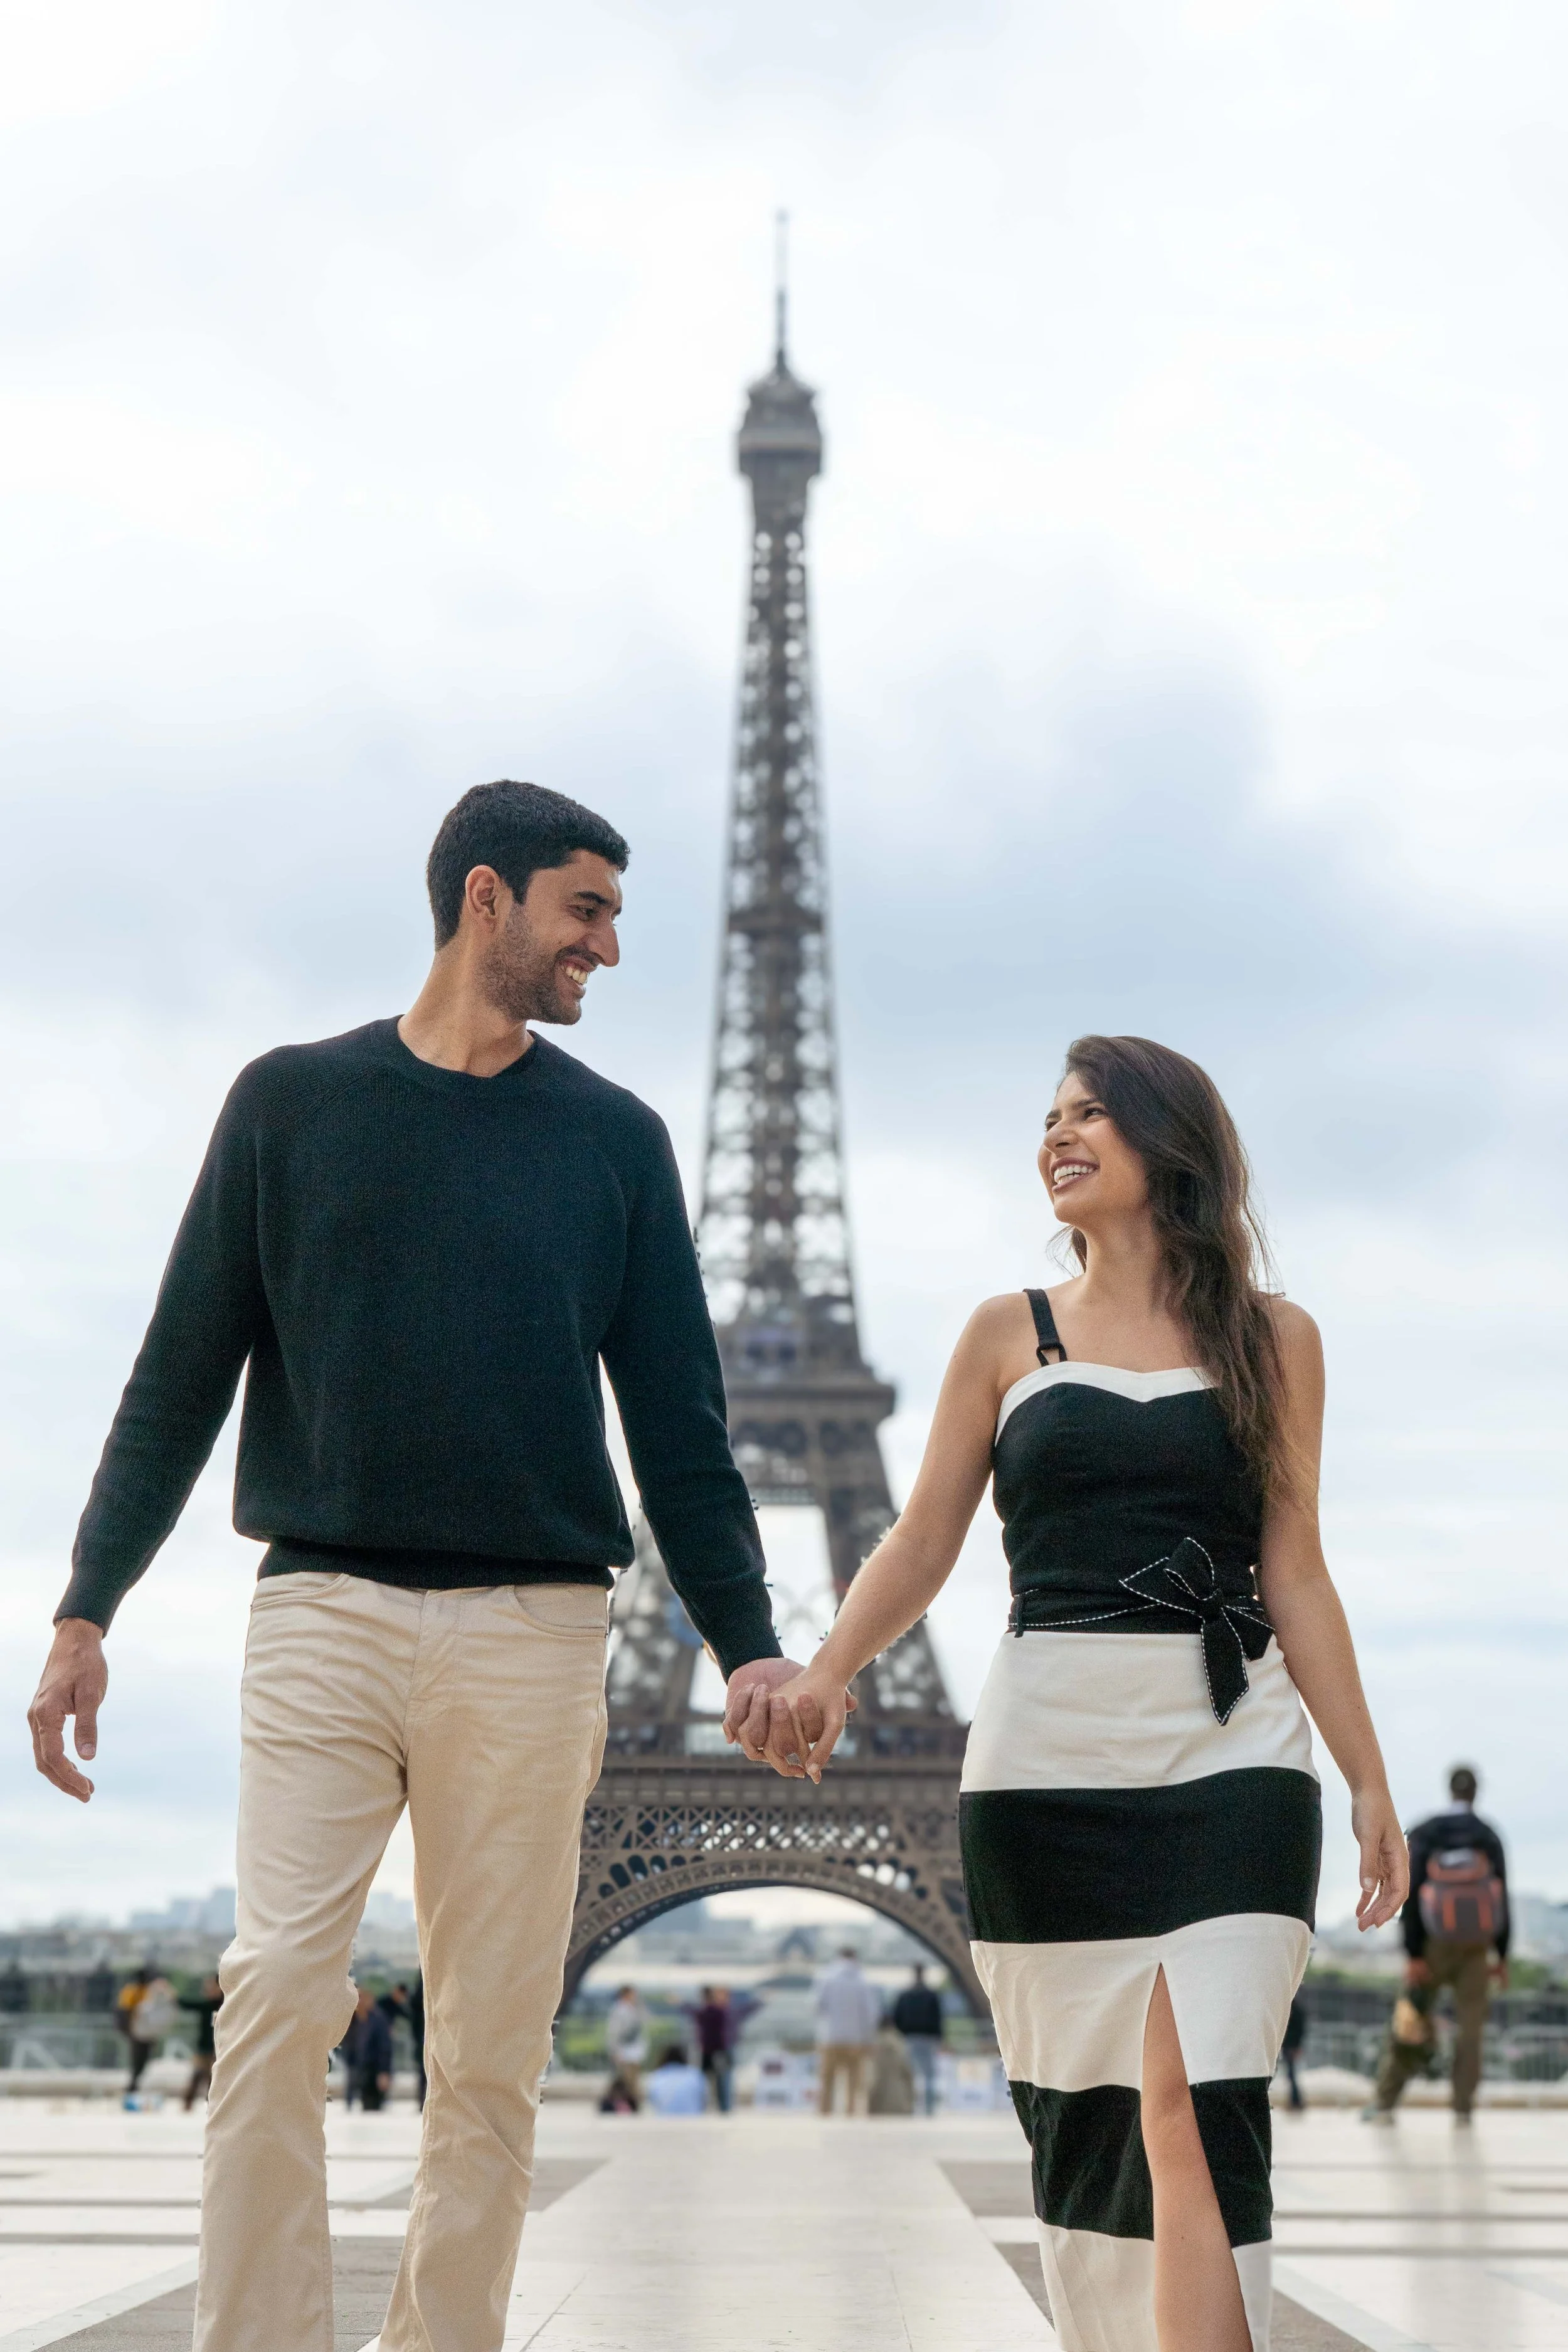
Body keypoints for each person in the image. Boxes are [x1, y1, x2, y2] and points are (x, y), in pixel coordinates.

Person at [26, 780, 811, 2352]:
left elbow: (682, 1427)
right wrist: (84, 1607)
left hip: (533, 1626)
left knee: (495, 2046)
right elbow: (178, 1375)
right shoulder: (287, 1103)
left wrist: (749, 1641)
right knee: (272, 2000)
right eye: (584, 908)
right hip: (320, 1605)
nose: (604, 944)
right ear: (484, 901)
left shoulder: (619, 1142)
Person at [758, 1036, 1408, 2352]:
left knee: (1195, 2094)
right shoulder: (1009, 1333)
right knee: (1098, 2122)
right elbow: (922, 1539)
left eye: (1090, 1114)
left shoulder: (1277, 1342)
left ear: (1166, 1144)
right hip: (1046, 1763)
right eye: (1047, 1117)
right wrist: (829, 1671)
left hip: (1234, 1750)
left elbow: (1295, 1569)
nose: (1056, 1136)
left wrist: (1368, 1779)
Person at [1366, 1764, 1508, 2126]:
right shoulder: (1488, 1836)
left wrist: (1413, 1953)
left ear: (1450, 1789)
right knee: (1470, 2030)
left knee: (1412, 2018)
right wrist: (1502, 1955)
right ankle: (1463, 2110)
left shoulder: (1428, 1831)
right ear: (1476, 1792)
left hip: (1432, 1947)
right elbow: (1501, 1898)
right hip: (1477, 1949)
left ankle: (1385, 2104)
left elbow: (1410, 1895)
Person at [815, 1949, 881, 2116]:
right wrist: (869, 2039)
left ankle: (824, 2111)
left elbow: (818, 2006)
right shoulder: (862, 1981)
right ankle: (850, 2112)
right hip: (856, 2039)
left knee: (827, 2080)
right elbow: (871, 2014)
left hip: (831, 2037)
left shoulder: (827, 1978)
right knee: (853, 2081)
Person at [890, 1964, 944, 2116]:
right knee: (929, 2076)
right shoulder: (932, 1995)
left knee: (910, 2075)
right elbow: (938, 2019)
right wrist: (939, 2038)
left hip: (909, 2038)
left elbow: (897, 2017)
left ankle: (910, 2107)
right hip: (928, 2038)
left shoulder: (905, 1995)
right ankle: (929, 2109)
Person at [122, 1971, 177, 2105]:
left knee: (141, 2062)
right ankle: (132, 2087)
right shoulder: (134, 1992)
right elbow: (127, 2010)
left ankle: (133, 2086)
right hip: (140, 2034)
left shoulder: (141, 1992)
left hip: (143, 2033)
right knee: (138, 2062)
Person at [345, 1985, 395, 2111]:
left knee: (373, 2106)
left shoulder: (379, 2020)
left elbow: (385, 2048)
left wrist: (384, 2072)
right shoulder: (353, 2021)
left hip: (374, 2070)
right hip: (358, 2068)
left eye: (362, 1998)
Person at [180, 1974, 225, 2109]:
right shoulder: (208, 2005)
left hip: (218, 2048)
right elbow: (186, 2004)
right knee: (199, 2076)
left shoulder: (221, 2004)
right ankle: (190, 2105)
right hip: (205, 2048)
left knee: (213, 2079)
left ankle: (212, 2106)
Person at [693, 1985, 736, 2114]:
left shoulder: (707, 2012)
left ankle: (714, 2107)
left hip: (713, 2051)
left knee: (717, 2081)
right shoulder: (718, 2012)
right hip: (717, 2050)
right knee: (720, 2081)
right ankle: (723, 2108)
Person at [605, 1984, 648, 2112]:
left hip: (634, 2052)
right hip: (625, 2052)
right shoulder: (619, 2010)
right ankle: (628, 2106)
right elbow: (614, 2033)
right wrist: (615, 2051)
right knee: (627, 2082)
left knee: (633, 2081)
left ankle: (632, 2106)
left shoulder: (633, 2009)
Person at [643, 2043, 707, 2116]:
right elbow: (705, 2101)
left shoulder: (656, 2077)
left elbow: (653, 2102)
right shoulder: (695, 2075)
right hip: (693, 2121)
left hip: (664, 2122)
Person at [867, 2023, 916, 2116]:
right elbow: (908, 2075)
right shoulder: (900, 2045)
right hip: (900, 2105)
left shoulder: (874, 2045)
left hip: (878, 2106)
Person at [1279, 1988, 1307, 2114]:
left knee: (1292, 2075)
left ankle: (1296, 2101)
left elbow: (1299, 2032)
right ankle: (1296, 2101)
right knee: (1291, 2075)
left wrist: (1296, 2047)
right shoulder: (1295, 2011)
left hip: (1291, 2047)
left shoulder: (1294, 2012)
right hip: (1290, 2046)